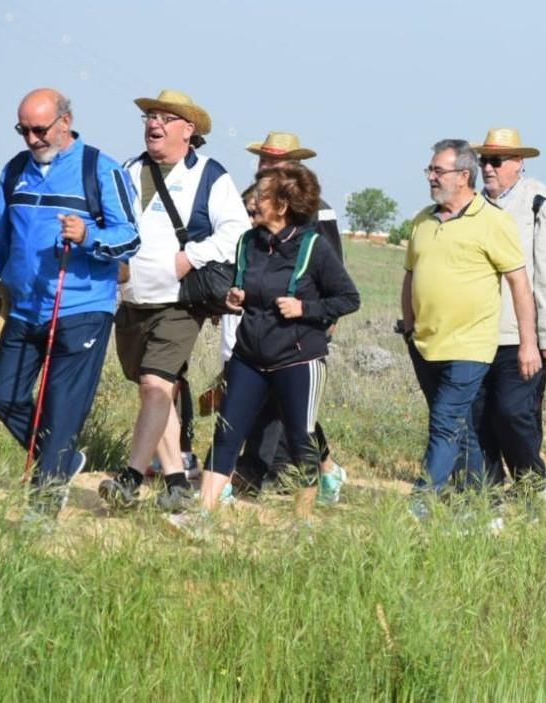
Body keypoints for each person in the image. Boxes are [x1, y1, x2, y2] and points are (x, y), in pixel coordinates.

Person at [166, 163, 359, 538]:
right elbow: (244, 286)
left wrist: (306, 309)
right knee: (226, 433)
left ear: (283, 205)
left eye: (261, 194)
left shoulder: (313, 246)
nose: (252, 200)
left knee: (301, 438)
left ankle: (301, 525)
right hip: (249, 357)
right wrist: (235, 297)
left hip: (298, 359)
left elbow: (348, 298)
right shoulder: (248, 242)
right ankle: (202, 518)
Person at [0, 88, 139, 522]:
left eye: (39, 129)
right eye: (23, 130)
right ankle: (60, 459)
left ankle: (42, 510)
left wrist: (89, 237)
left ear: (65, 122)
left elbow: (131, 237)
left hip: (82, 309)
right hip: (23, 307)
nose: (32, 138)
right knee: (2, 394)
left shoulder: (100, 169)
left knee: (60, 408)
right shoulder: (15, 171)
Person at [99, 90, 251, 512]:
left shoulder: (209, 174)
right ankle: (176, 481)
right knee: (152, 390)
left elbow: (237, 231)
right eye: (151, 116)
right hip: (130, 298)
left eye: (166, 118)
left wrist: (191, 257)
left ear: (189, 131)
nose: (154, 123)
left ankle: (130, 478)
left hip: (180, 301)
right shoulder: (127, 170)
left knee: (155, 383)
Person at [400, 139, 540, 501]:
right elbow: (411, 275)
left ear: (463, 176)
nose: (431, 177)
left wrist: (529, 343)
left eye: (438, 170)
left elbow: (519, 285)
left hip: (470, 345)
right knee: (460, 429)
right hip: (426, 343)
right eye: (429, 170)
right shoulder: (422, 220)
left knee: (445, 422)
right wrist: (410, 325)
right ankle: (480, 500)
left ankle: (422, 501)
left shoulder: (493, 221)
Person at [229, 132, 348, 505]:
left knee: (294, 409)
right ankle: (260, 469)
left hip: (301, 327)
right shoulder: (251, 203)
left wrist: (322, 318)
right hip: (259, 322)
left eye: (275, 161)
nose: (266, 166)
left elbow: (334, 272)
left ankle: (299, 470)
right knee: (271, 403)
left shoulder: (318, 209)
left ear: (293, 167)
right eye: (263, 160)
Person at [469, 128, 546, 494]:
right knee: (480, 414)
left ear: (519, 164)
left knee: (515, 412)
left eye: (496, 161)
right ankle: (491, 487)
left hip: (521, 334)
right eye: (484, 160)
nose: (488, 167)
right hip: (476, 332)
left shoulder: (537, 206)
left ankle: (532, 479)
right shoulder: (473, 206)